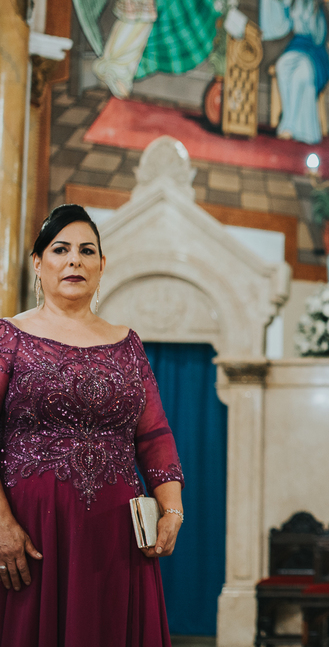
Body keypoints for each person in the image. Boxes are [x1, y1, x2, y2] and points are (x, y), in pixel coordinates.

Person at [0, 205, 184, 643]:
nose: (74, 261)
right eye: (60, 250)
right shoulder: (9, 338)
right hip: (32, 531)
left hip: (116, 535)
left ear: (102, 266)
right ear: (38, 264)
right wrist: (1, 523)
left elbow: (155, 435)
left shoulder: (127, 343)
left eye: (86, 251)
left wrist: (172, 508)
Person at [259, 0, 329, 144]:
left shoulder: (312, 1)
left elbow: (319, 34)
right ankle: (288, 121)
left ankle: (293, 126)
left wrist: (314, 14)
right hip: (296, 45)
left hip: (312, 50)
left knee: (303, 73)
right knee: (283, 66)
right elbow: (281, 21)